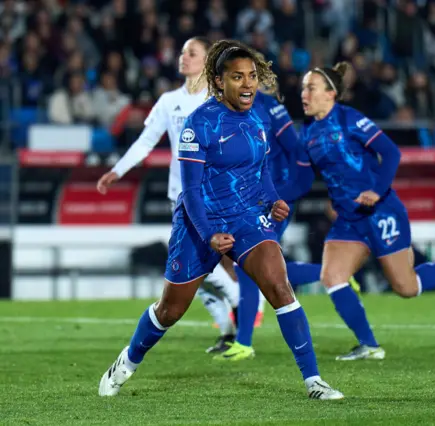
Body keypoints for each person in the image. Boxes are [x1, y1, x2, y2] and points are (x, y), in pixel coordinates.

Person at [98, 39, 343, 400]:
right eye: (237, 77)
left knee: (280, 286)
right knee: (170, 310)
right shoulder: (199, 125)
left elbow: (261, 170)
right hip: (200, 223)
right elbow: (192, 191)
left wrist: (273, 198)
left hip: (246, 216)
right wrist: (210, 234)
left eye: (252, 77)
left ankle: (313, 381)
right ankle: (128, 360)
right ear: (218, 81)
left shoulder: (258, 119)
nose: (247, 85)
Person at [298, 62, 435, 361]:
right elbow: (305, 176)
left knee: (406, 287)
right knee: (332, 276)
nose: (303, 93)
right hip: (349, 219)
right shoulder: (308, 133)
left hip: (380, 211)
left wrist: (378, 191)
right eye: (303, 87)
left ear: (330, 93)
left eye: (311, 87)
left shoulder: (349, 119)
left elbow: (391, 151)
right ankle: (370, 345)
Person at [95, 37, 240, 352]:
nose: (183, 57)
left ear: (207, 61)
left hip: (214, 195)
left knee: (195, 266)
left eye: (192, 52)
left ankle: (238, 309)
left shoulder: (217, 103)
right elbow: (146, 141)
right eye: (182, 51)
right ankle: (232, 325)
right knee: (190, 268)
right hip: (182, 196)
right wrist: (118, 170)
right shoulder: (168, 101)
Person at [213, 88, 361, 360]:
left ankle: (244, 343)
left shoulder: (269, 107)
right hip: (251, 197)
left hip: (274, 197)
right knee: (256, 266)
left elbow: (296, 151)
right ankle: (332, 273)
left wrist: (285, 193)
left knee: (249, 265)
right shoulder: (232, 107)